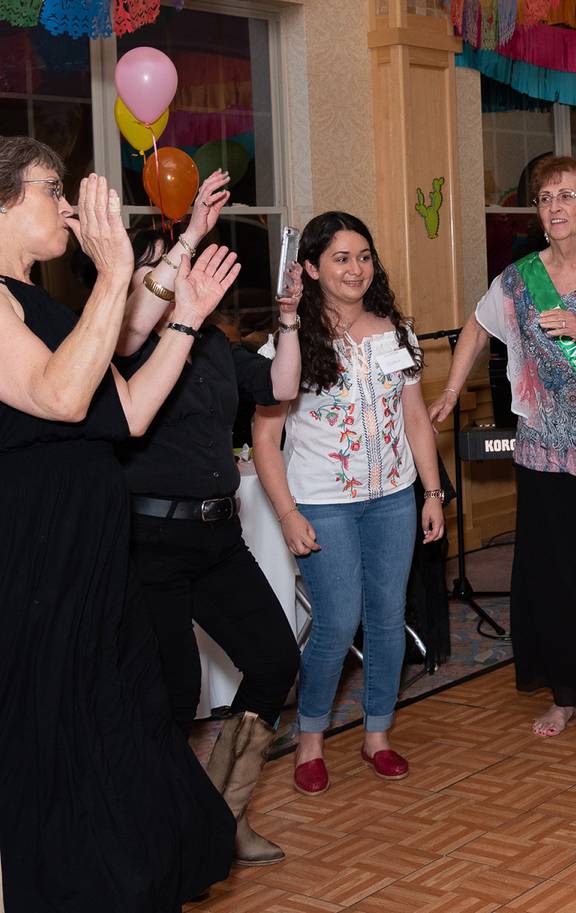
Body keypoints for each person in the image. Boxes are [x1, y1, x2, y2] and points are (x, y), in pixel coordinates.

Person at [0, 137, 238, 910]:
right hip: (34, 551)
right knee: (53, 730)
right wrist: (112, 274)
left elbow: (128, 411)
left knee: (124, 718)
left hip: (95, 553)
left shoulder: (44, 304)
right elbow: (61, 397)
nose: (67, 204)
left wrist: (186, 323)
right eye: (49, 188)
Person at [431, 155, 576, 738]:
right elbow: (478, 327)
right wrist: (452, 390)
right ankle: (563, 693)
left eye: (567, 196)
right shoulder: (517, 279)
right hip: (543, 454)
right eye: (544, 198)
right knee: (553, 577)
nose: (554, 207)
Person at [114, 194, 303, 865]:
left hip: (219, 538)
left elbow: (280, 384)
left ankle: (222, 813)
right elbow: (136, 329)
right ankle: (163, 833)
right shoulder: (124, 344)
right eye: (160, 266)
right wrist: (187, 240)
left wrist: (287, 318)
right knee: (172, 695)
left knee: (278, 660)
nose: (177, 273)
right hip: (150, 545)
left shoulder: (214, 344)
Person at [251, 212, 445, 795]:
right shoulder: (286, 342)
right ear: (309, 268)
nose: (356, 268)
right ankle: (310, 742)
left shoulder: (397, 333)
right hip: (322, 503)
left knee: (388, 619)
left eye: (363, 256)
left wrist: (431, 492)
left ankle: (377, 735)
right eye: (340, 258)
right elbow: (265, 439)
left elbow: (415, 419)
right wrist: (288, 513)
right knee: (336, 623)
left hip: (393, 499)